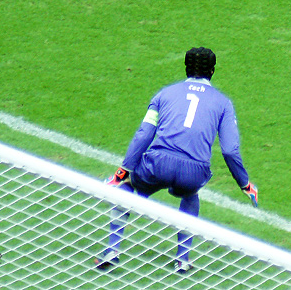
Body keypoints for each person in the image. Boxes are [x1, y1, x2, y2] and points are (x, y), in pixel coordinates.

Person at [95, 47, 258, 273]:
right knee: (191, 195)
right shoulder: (224, 103)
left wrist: (122, 172)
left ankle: (112, 250)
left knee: (127, 187)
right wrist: (245, 184)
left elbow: (144, 134)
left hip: (158, 163)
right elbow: (230, 151)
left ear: (186, 67)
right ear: (212, 71)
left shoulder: (165, 94)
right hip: (193, 172)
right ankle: (182, 258)